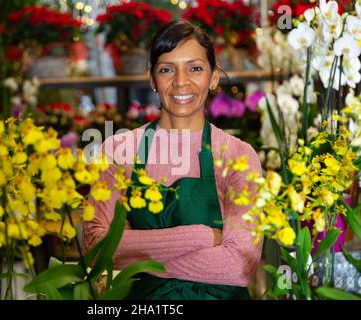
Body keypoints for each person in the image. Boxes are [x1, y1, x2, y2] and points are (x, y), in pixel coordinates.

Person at [82, 20, 263, 300]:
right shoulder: (119, 151)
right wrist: (202, 237)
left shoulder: (237, 156)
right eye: (167, 69)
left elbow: (239, 266)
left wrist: (136, 258)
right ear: (153, 78)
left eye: (195, 68)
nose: (181, 81)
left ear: (213, 77)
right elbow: (96, 247)